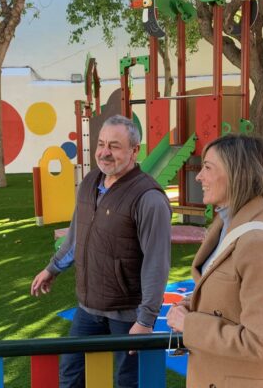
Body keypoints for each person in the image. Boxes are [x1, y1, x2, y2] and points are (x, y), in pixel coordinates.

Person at [30, 115, 172, 388]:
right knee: (71, 377)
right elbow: (77, 233)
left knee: (127, 382)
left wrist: (145, 320)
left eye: (115, 146)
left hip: (128, 313)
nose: (105, 152)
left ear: (134, 151)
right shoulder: (90, 181)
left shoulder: (149, 198)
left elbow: (157, 264)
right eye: (101, 144)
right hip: (89, 307)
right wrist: (53, 268)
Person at [166, 135, 263, 388]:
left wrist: (190, 324)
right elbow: (227, 296)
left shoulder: (259, 243)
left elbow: (261, 341)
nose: (199, 177)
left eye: (208, 168)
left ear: (237, 174)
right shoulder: (224, 225)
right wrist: (191, 305)